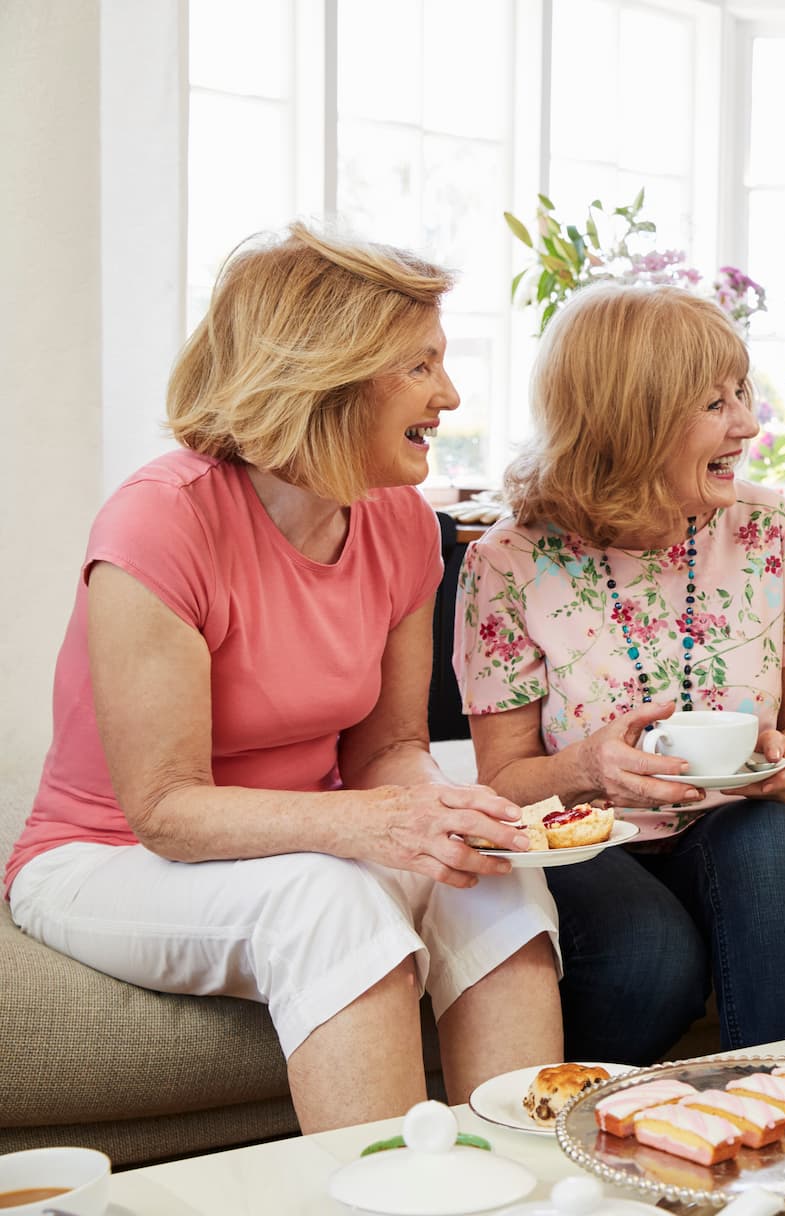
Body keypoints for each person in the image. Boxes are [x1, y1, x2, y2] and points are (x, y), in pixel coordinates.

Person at [4, 225, 563, 1133]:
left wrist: (443, 815)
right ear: (330, 371)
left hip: (298, 842)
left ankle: (531, 1183)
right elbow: (165, 811)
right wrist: (376, 824)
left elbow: (388, 750)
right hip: (108, 856)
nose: (449, 395)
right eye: (419, 366)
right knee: (324, 896)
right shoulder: (163, 523)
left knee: (488, 871)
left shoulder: (403, 526)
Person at [455, 282, 785, 1063]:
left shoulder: (769, 527)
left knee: (773, 846)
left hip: (729, 828)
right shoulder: (508, 561)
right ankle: (592, 1133)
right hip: (582, 845)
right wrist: (591, 769)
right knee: (650, 957)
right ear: (632, 422)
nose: (748, 424)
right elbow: (501, 783)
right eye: (714, 404)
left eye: (743, 392)